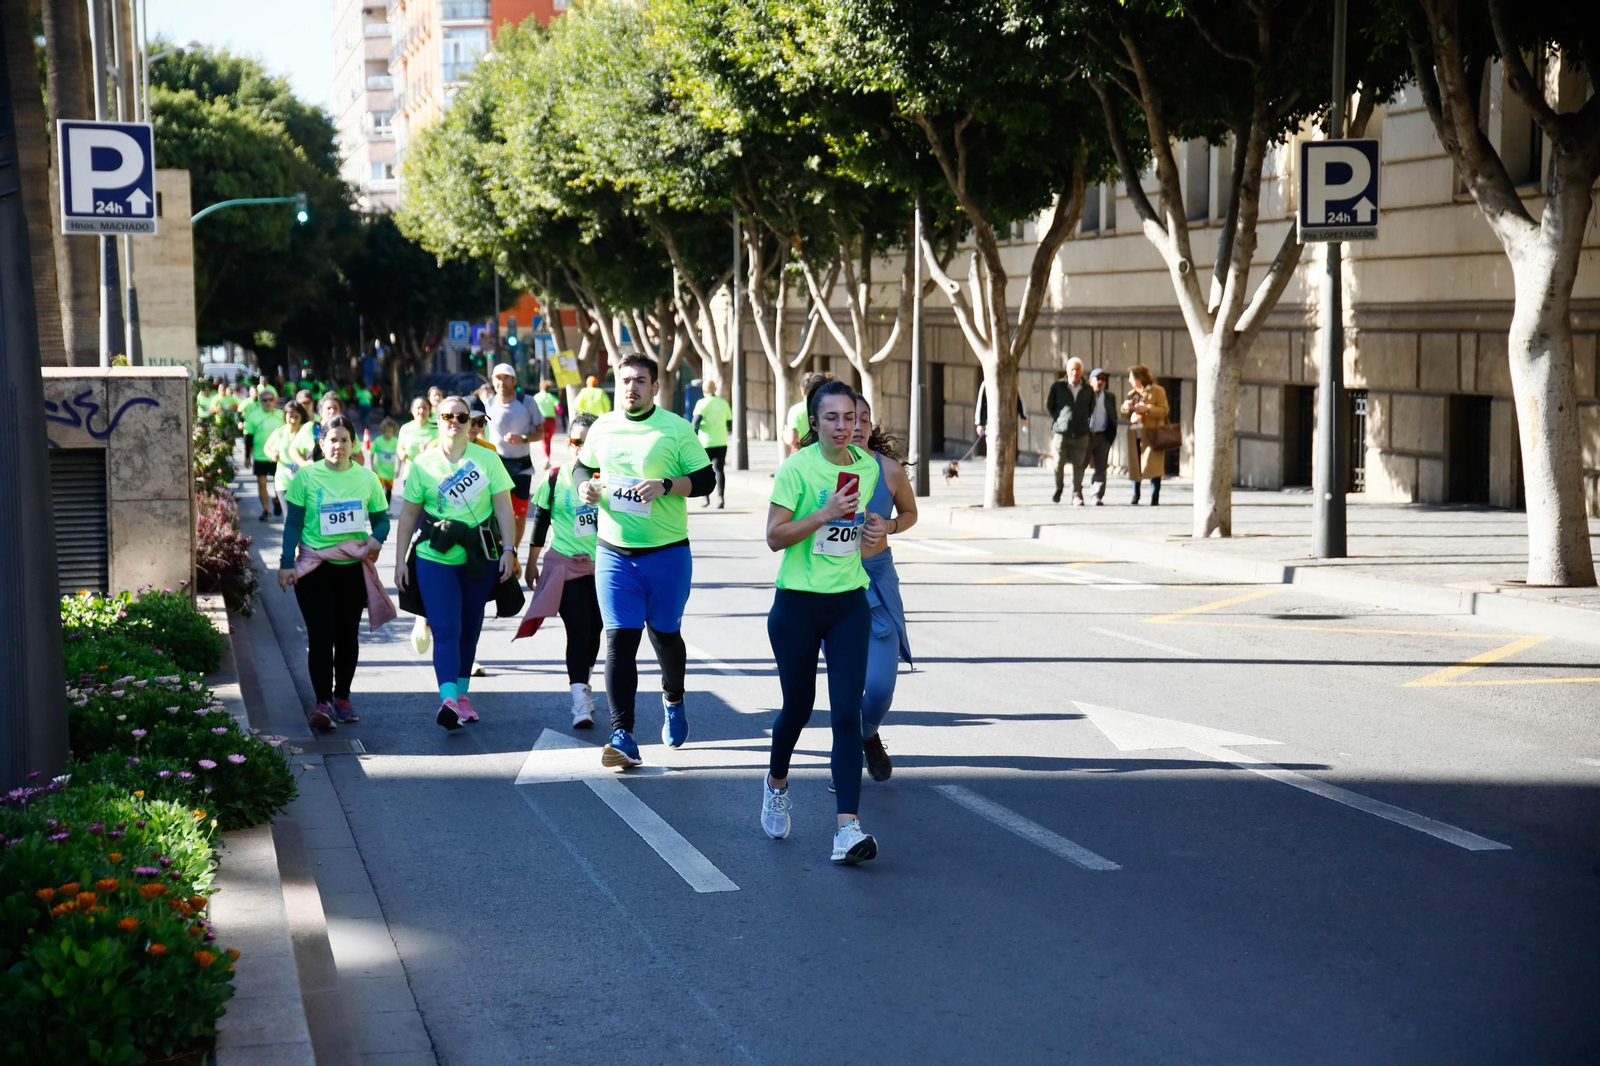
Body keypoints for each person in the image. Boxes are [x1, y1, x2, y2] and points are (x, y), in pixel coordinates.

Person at [760, 378, 885, 864]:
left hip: (848, 603)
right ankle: (775, 782)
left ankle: (846, 829)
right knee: (798, 707)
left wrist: (874, 529)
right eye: (831, 417)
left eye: (850, 418)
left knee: (845, 714)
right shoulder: (797, 469)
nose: (842, 426)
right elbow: (774, 536)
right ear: (814, 422)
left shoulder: (868, 468)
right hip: (797, 606)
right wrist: (824, 512)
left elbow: (857, 534)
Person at [573, 353, 715, 768]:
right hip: (614, 552)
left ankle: (673, 698)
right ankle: (623, 734)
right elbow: (583, 467)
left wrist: (667, 485)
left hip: (667, 554)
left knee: (666, 637)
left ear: (655, 387)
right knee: (619, 641)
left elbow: (706, 479)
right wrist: (585, 488)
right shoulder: (603, 426)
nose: (631, 387)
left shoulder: (675, 428)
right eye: (625, 380)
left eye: (640, 380)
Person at [394, 395, 517, 730]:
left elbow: (504, 508)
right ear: (438, 419)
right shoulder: (423, 464)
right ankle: (447, 699)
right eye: (448, 416)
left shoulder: (487, 460)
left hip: (479, 557)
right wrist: (400, 561)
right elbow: (408, 515)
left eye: (462, 417)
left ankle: (462, 696)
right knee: (446, 628)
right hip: (435, 556)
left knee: (470, 627)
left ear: (469, 422)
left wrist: (510, 550)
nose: (455, 422)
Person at [277, 415, 391, 731]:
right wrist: (287, 562)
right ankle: (322, 702)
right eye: (332, 440)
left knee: (346, 636)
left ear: (353, 444)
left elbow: (382, 521)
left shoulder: (367, 478)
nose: (338, 446)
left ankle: (342, 697)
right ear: (321, 443)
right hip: (314, 568)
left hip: (351, 569)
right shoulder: (306, 477)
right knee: (321, 635)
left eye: (344, 440)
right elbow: (294, 523)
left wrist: (375, 539)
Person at [519, 413, 604, 728]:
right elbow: (540, 523)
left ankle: (585, 680)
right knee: (577, 629)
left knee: (595, 631)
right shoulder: (555, 477)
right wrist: (530, 563)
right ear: (568, 443)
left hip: (603, 567)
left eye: (587, 442)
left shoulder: (607, 477)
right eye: (575, 441)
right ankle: (579, 700)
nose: (581, 448)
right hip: (565, 565)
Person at [852, 391, 916, 784]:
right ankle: (845, 757)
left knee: (879, 686)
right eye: (846, 418)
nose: (855, 426)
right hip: (831, 582)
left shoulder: (890, 470)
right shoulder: (815, 469)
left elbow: (909, 512)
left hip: (877, 577)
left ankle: (867, 732)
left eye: (862, 419)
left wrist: (890, 526)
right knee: (846, 681)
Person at [396, 396, 440, 654]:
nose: (422, 410)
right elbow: (401, 451)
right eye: (418, 407)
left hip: (436, 485)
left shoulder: (438, 429)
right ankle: (421, 616)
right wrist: (401, 458)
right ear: (412, 411)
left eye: (425, 407)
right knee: (420, 536)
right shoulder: (406, 429)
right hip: (412, 480)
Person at [484, 363, 540, 565]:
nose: (502, 382)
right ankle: (502, 550)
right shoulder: (488, 403)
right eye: (497, 378)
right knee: (498, 512)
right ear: (493, 381)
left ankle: (513, 552)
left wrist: (523, 438)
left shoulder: (527, 402)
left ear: (514, 381)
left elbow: (541, 432)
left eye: (506, 378)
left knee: (519, 516)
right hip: (498, 464)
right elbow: (479, 430)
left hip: (522, 466)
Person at [1046, 358, 1096, 505]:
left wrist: (1083, 421)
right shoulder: (1058, 387)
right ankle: (1059, 488)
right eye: (1072, 369)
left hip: (1081, 433)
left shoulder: (1088, 389)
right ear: (1067, 371)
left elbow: (1090, 408)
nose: (1075, 372)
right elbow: (1050, 406)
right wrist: (1060, 419)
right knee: (1058, 464)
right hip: (1062, 433)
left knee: (1078, 465)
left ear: (1082, 371)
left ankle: (1077, 494)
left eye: (1078, 369)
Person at [1121, 364, 1170, 505]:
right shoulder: (1132, 394)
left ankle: (1155, 496)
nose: (1129, 381)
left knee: (1154, 465)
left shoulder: (1157, 391)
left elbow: (1164, 410)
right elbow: (1125, 414)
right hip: (1135, 433)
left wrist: (1147, 408)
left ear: (1139, 378)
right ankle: (1135, 495)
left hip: (1152, 433)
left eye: (1131, 378)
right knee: (1135, 464)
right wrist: (1126, 407)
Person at [244, 387, 286, 521]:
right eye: (264, 400)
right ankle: (266, 510)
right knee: (261, 483)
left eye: (270, 400)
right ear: (260, 402)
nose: (268, 402)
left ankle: (277, 500)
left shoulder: (282, 415)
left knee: (278, 483)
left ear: (275, 401)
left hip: (278, 456)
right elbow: (248, 438)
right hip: (260, 456)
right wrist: (247, 457)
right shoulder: (253, 416)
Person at [691, 378, 732, 508]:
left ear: (704, 391)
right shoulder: (723, 403)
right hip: (721, 441)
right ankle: (720, 497)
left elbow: (695, 423)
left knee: (705, 470)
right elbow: (729, 424)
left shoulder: (701, 404)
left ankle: (705, 498)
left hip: (705, 442)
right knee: (719, 470)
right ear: (715, 390)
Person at [264, 400, 309, 515]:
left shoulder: (306, 432)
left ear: (301, 417)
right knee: (288, 516)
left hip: (303, 482)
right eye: (290, 416)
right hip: (283, 481)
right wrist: (272, 455)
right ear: (285, 416)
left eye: (296, 416)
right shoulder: (279, 432)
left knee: (302, 516)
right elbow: (267, 447)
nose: (293, 420)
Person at [1086, 368, 1119, 506]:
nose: (1100, 382)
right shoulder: (1084, 396)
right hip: (1086, 436)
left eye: (1103, 379)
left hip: (1103, 436)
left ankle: (1097, 495)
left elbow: (1113, 415)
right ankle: (1077, 494)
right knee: (1080, 466)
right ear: (1090, 381)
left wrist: (1110, 435)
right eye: (1097, 378)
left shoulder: (1110, 397)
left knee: (1101, 468)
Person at [974, 378, 1027, 460]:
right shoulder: (986, 384)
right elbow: (981, 404)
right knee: (993, 447)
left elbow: (1018, 400)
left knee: (1007, 448)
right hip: (991, 423)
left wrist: (1023, 416)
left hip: (1008, 422)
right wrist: (980, 423)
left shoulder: (1011, 382)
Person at [782, 373, 828, 456]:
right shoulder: (829, 408)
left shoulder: (796, 410)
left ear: (802, 389)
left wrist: (785, 435)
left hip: (803, 456)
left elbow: (792, 438)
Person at [531, 378, 561, 464]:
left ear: (540, 387)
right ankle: (547, 456)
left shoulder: (536, 397)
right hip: (551, 420)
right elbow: (559, 409)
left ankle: (546, 457)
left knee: (544, 439)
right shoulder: (552, 397)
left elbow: (532, 409)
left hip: (541, 420)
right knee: (548, 439)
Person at [372, 418, 400, 500]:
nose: (388, 434)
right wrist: (373, 466)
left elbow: (399, 457)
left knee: (389, 490)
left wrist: (398, 469)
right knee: (380, 488)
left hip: (390, 471)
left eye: (390, 431)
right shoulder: (378, 441)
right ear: (383, 430)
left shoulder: (396, 442)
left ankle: (387, 508)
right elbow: (371, 453)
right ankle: (379, 506)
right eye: (386, 431)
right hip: (380, 470)